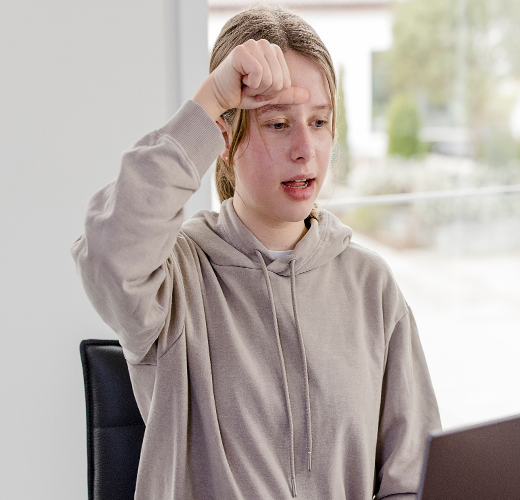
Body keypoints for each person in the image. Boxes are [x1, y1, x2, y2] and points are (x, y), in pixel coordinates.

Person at [71, 5, 440, 499]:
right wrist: (210, 101)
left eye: (320, 121)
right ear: (225, 136)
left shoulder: (371, 288)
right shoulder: (173, 283)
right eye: (277, 124)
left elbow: (413, 479)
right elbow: (107, 251)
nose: (306, 148)